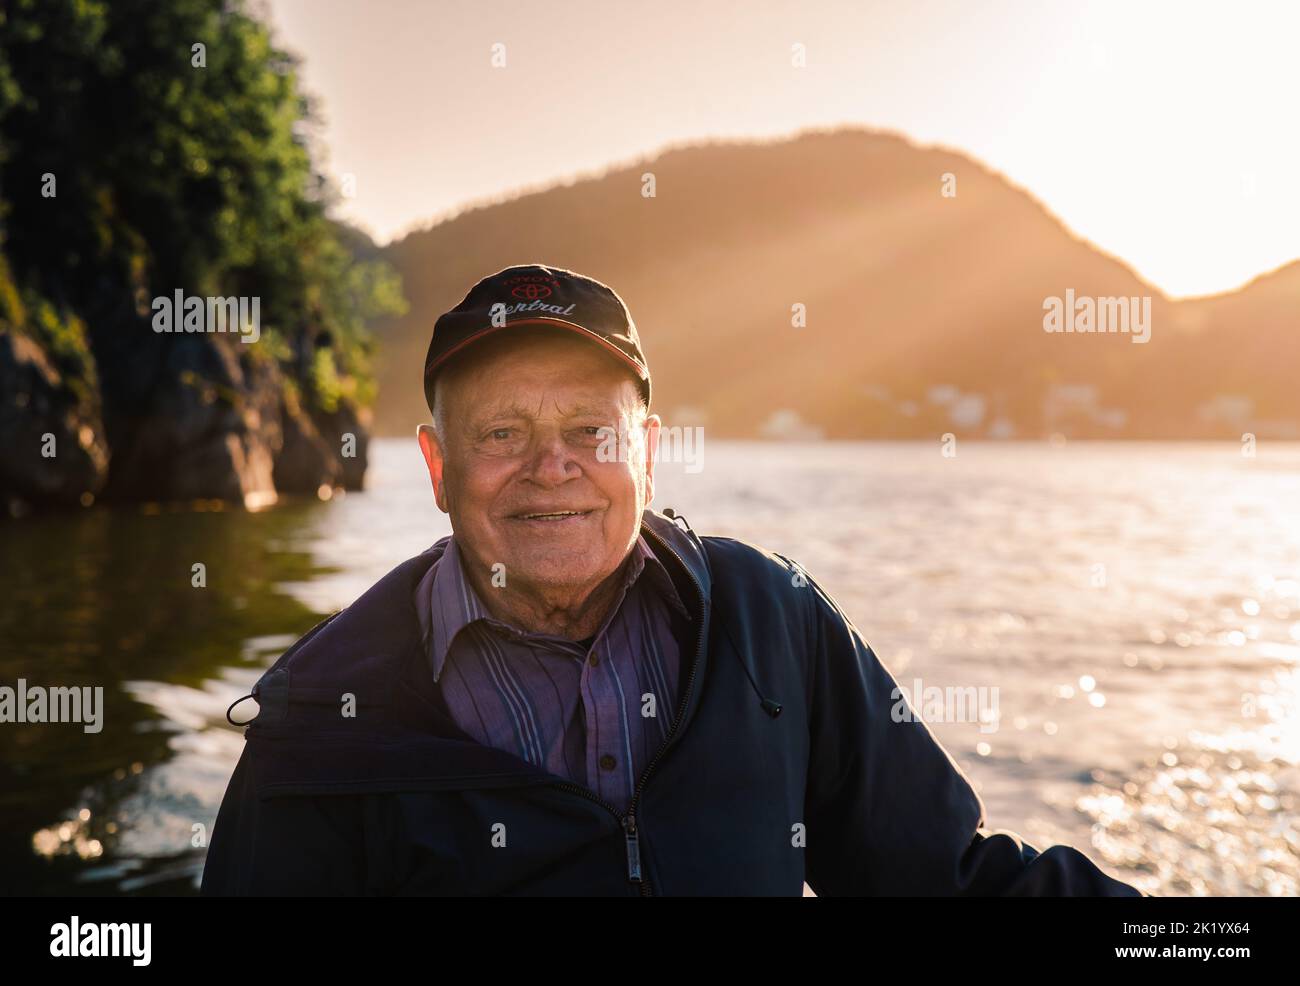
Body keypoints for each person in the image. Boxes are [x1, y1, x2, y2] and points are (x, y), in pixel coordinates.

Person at [201, 263, 1143, 896]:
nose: (552, 467)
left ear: (647, 455)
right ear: (438, 465)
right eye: (500, 434)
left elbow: (946, 882)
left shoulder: (772, 621)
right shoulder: (321, 722)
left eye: (591, 431)